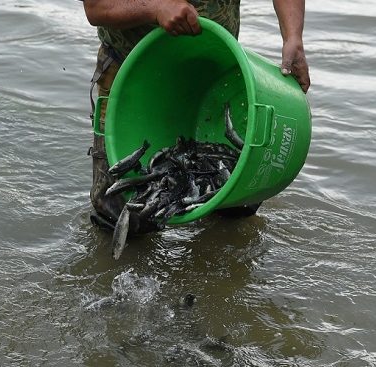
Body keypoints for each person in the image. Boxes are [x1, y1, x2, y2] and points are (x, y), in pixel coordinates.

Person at [81, 0, 310, 232]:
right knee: (122, 213)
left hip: (216, 71)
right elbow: (96, 7)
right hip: (131, 74)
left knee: (235, 201)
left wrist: (293, 38)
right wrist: (156, 8)